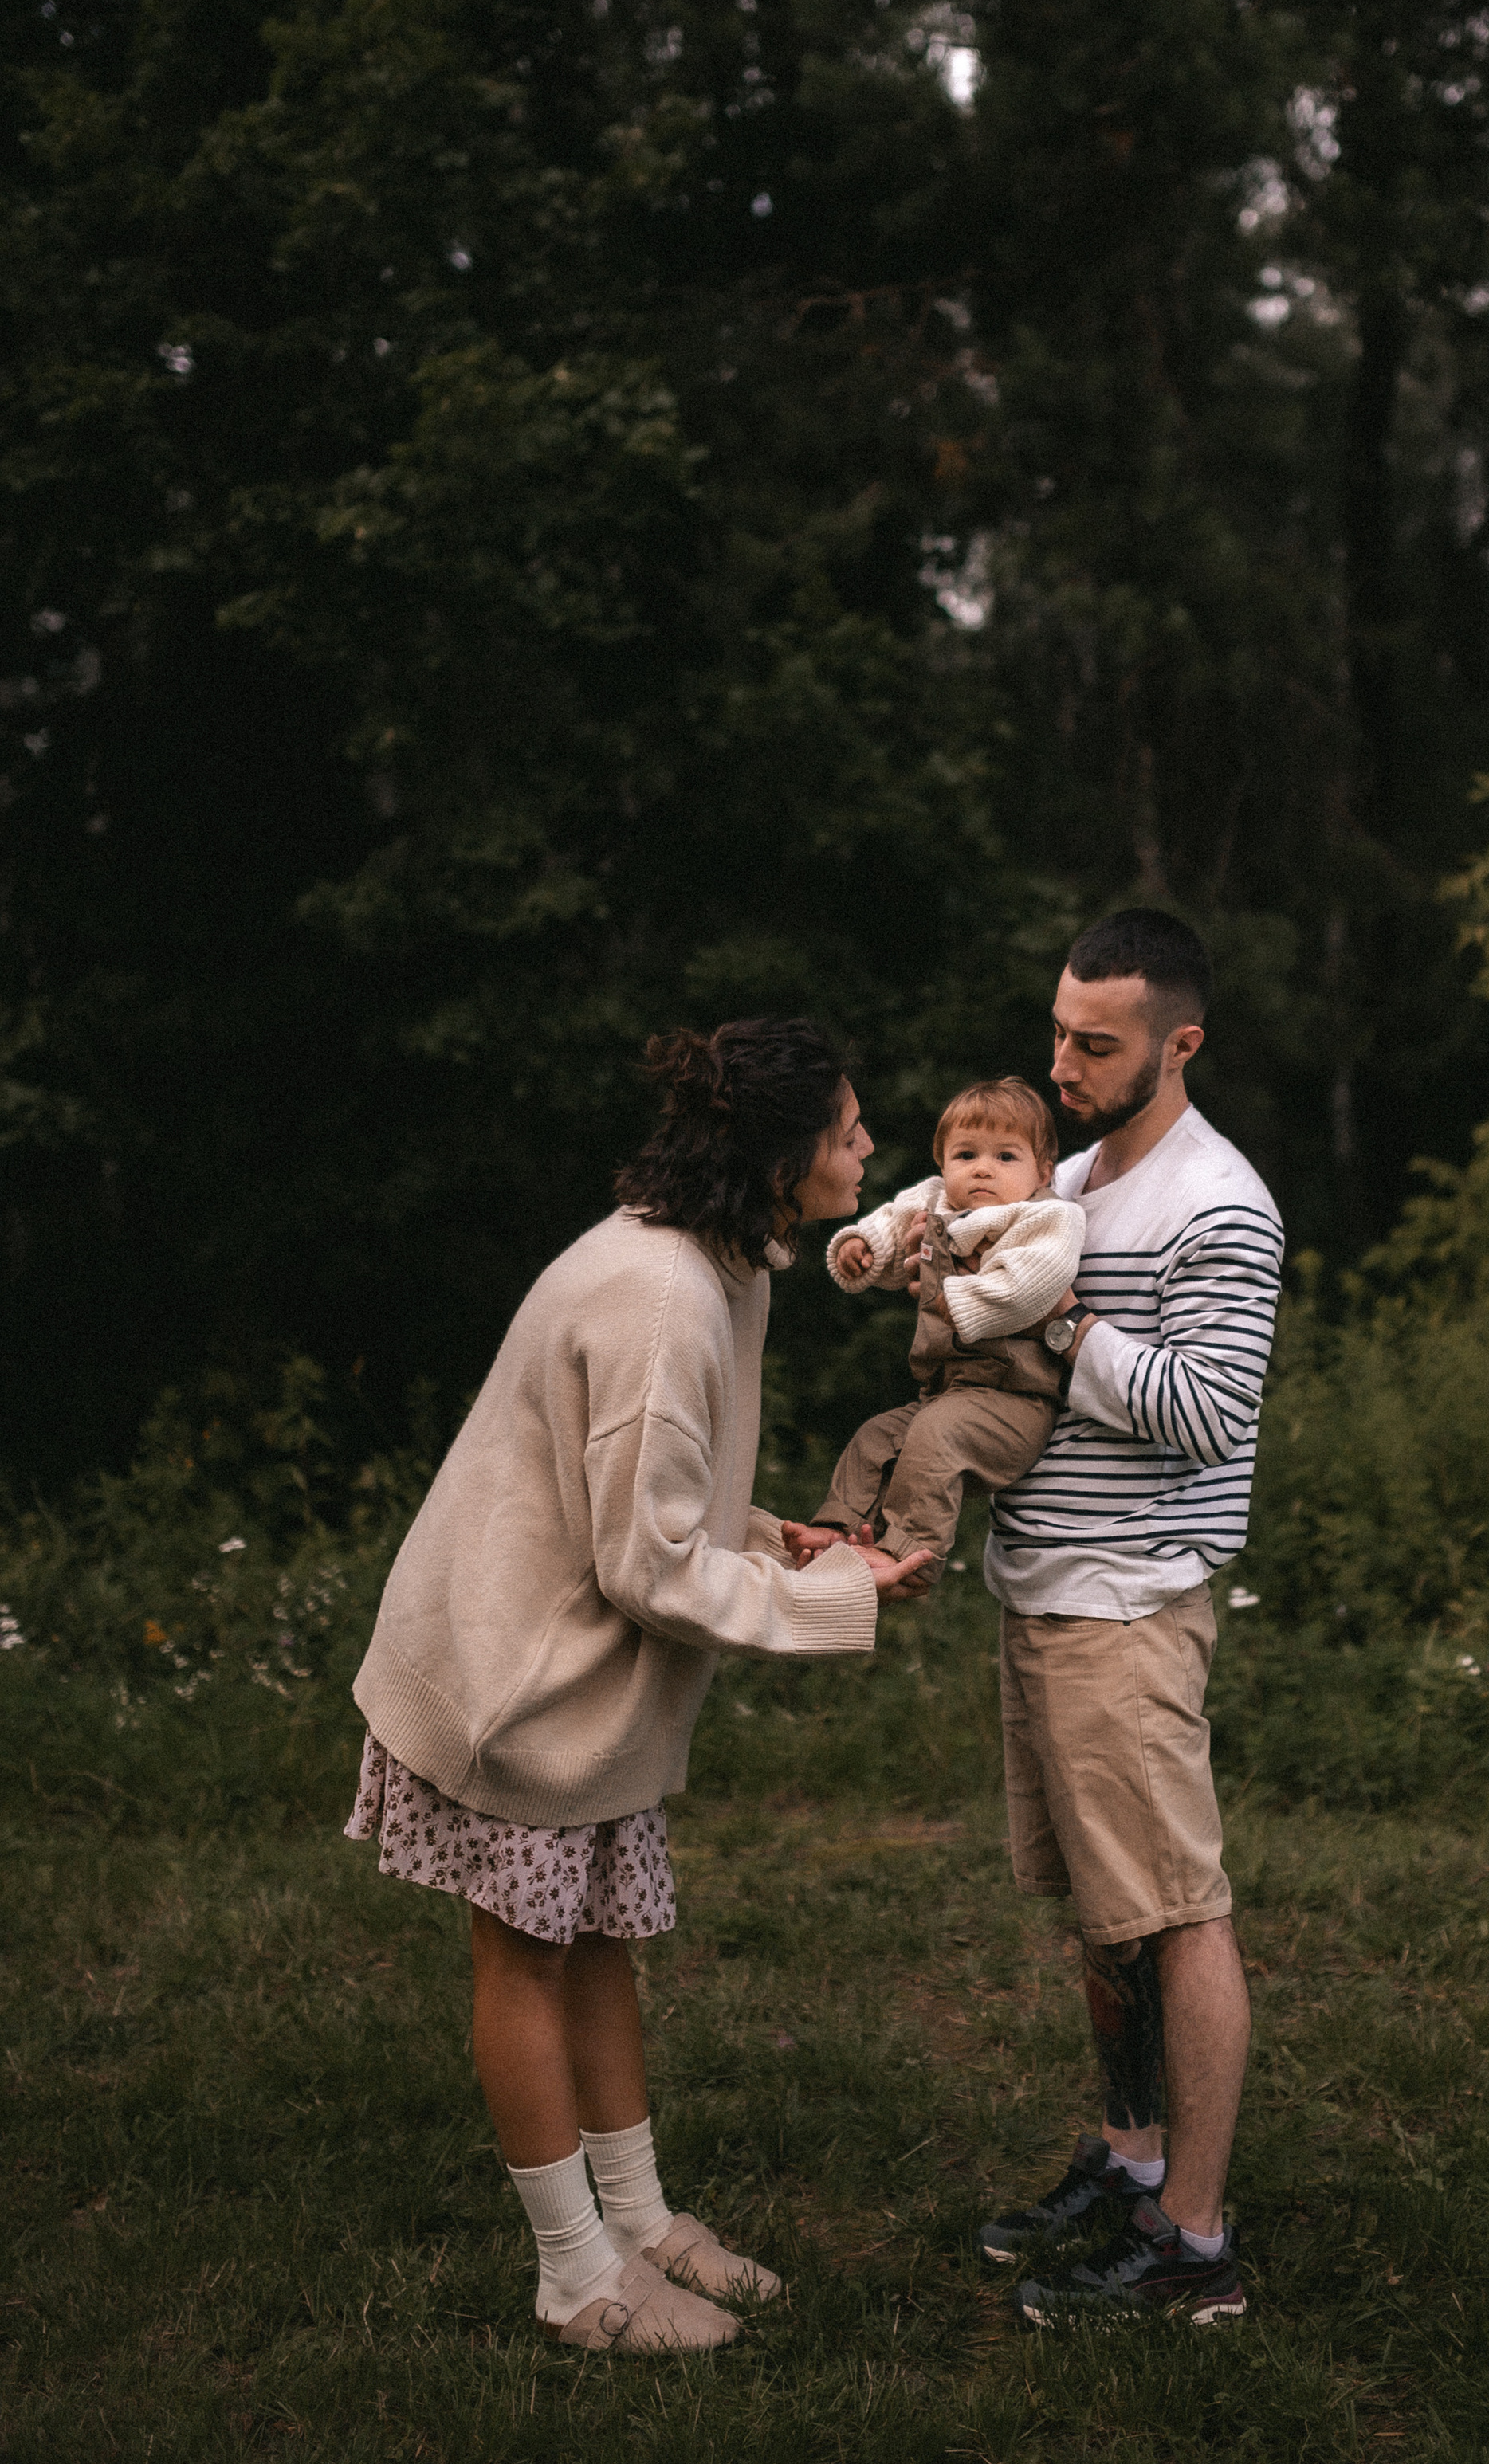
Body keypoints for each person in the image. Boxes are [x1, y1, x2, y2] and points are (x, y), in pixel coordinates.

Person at [345, 1018, 935, 2356]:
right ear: (786, 1157)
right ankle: (576, 2277)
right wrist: (836, 1596)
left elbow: (664, 1498)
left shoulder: (728, 1262)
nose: (869, 1147)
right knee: (530, 1955)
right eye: (849, 1129)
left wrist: (783, 1536)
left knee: (598, 1938)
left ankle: (644, 2224)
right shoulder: (662, 1293)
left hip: (585, 1680)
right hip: (521, 1682)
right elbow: (645, 1562)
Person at [970, 910, 1283, 2328]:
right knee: (1108, 1915)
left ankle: (1195, 2242)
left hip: (1128, 1607)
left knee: (1177, 1912)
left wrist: (1061, 1327)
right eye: (1059, 1032)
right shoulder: (1073, 1175)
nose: (1063, 1062)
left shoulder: (1221, 1202)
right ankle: (1134, 2152)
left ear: (1181, 1041)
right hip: (1039, 1591)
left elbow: (1212, 1413)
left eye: (1096, 1043)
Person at [796, 1076, 1086, 1570]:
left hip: (1015, 1402)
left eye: (1005, 1157)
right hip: (946, 1393)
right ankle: (836, 1527)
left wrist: (954, 1294)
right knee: (875, 1437)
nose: (983, 1171)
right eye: (966, 1155)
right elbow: (892, 1226)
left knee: (936, 1435)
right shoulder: (935, 1203)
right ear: (942, 1162)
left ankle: (910, 1552)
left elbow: (1031, 1288)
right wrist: (864, 1249)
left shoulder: (1048, 1218)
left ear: (1044, 1171)